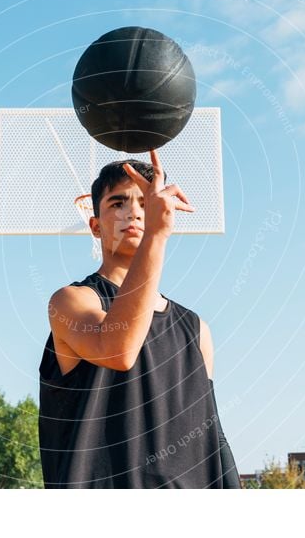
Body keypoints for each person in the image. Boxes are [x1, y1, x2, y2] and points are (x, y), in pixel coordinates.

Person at [38, 150, 240, 488]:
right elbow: (118, 349)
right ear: (95, 226)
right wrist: (155, 236)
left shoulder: (195, 329)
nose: (132, 212)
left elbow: (211, 436)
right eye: (117, 203)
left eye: (145, 204)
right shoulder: (72, 301)